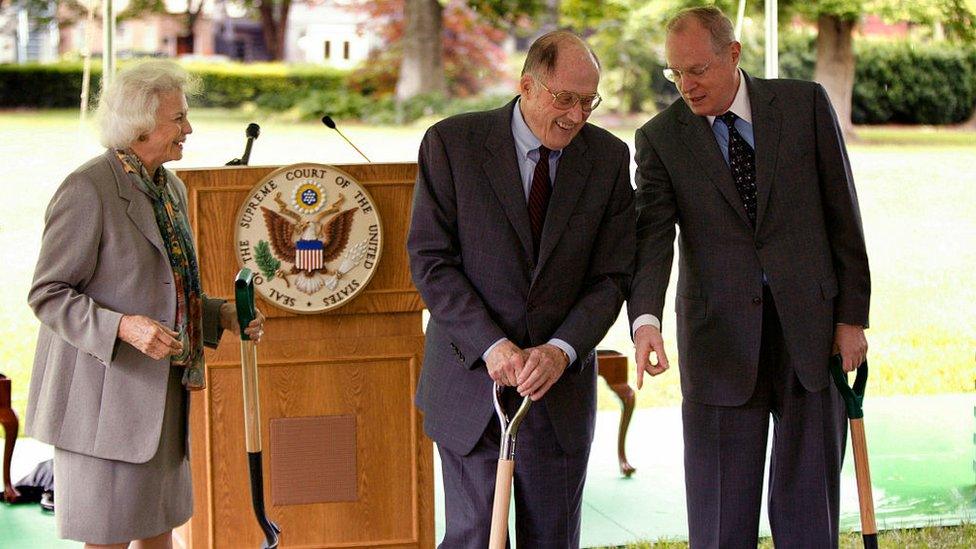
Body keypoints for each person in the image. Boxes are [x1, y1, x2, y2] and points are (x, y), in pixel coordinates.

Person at [629, 6, 871, 548]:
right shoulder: (661, 138)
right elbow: (651, 238)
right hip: (718, 342)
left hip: (812, 330)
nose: (685, 86)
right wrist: (645, 320)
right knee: (720, 518)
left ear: (733, 54)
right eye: (675, 73)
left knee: (809, 509)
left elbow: (843, 215)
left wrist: (851, 317)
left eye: (697, 70)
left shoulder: (805, 105)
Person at [407, 31, 635, 548]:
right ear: (527, 85)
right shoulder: (452, 144)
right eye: (565, 99)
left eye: (588, 102)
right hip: (468, 386)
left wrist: (560, 351)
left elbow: (612, 275)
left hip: (558, 395)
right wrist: (492, 345)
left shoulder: (607, 158)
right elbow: (431, 261)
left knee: (553, 539)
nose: (577, 116)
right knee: (473, 537)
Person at [25, 60, 265, 549]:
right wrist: (122, 328)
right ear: (138, 126)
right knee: (109, 540)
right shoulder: (88, 189)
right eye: (178, 118)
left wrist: (219, 315)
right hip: (102, 407)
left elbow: (168, 289)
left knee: (160, 534)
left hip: (162, 400)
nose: (189, 128)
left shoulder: (168, 187)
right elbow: (48, 294)